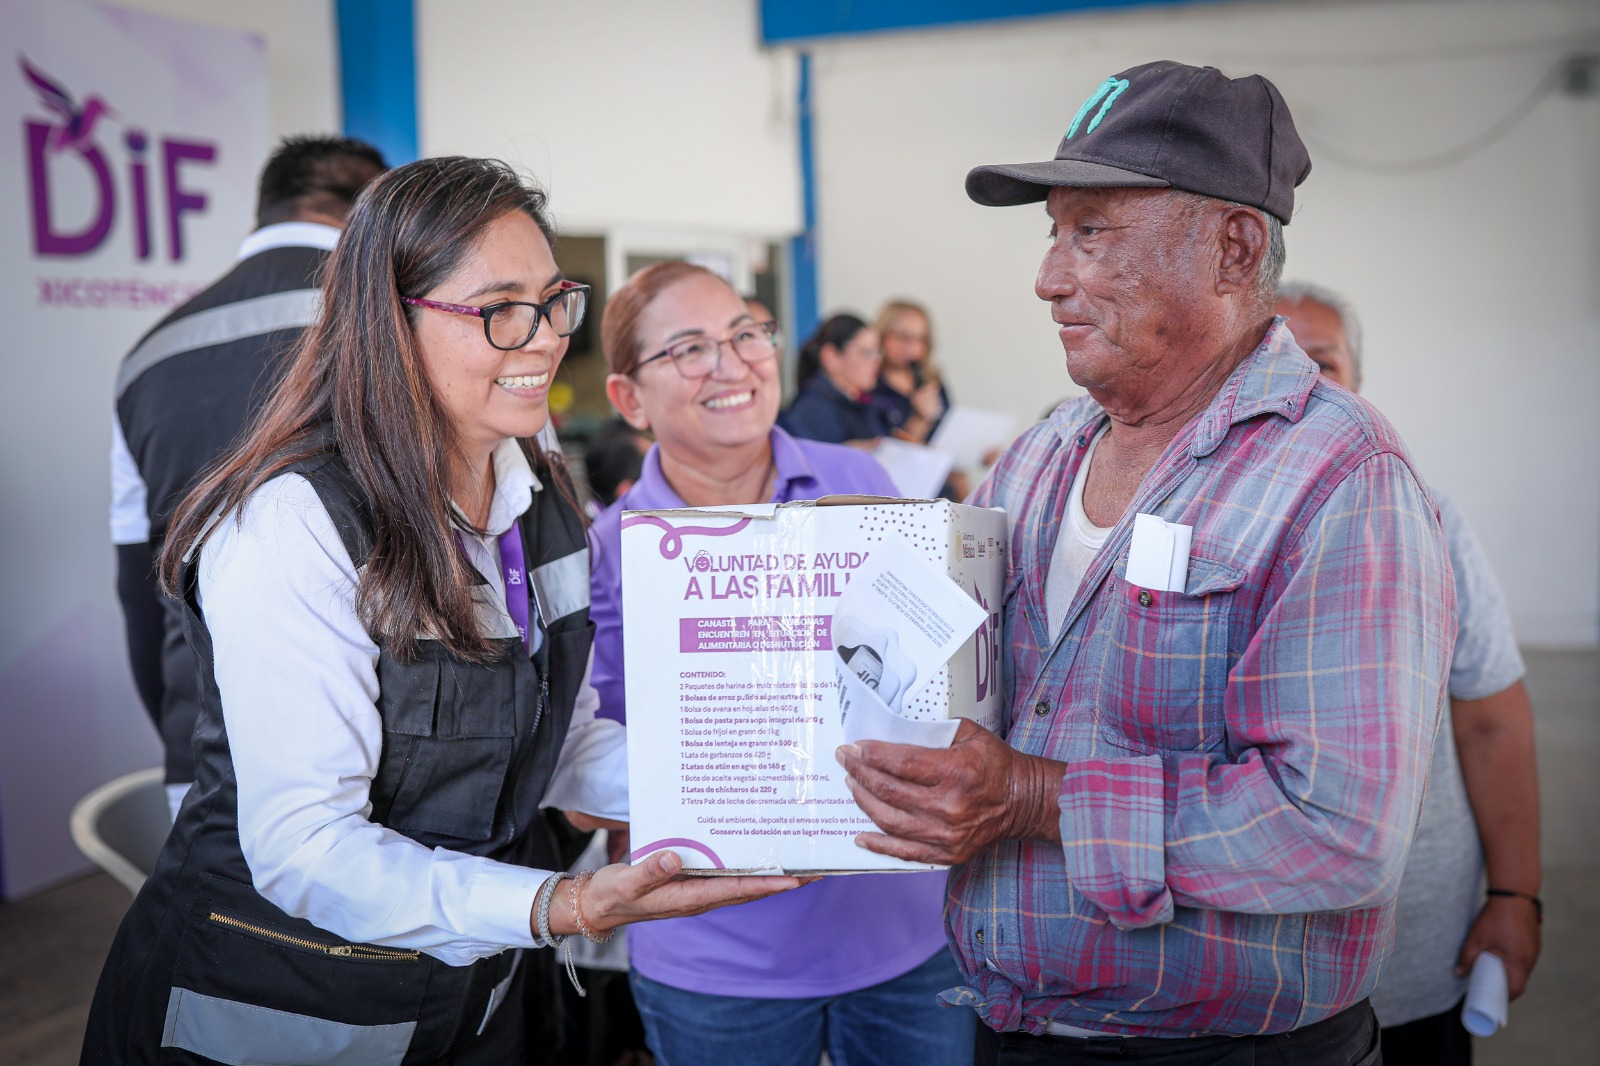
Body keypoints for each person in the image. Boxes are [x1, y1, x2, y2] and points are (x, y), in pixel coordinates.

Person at [82, 158, 802, 1065]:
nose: (543, 339)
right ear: (389, 322)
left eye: (554, 302)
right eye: (500, 309)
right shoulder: (295, 522)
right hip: (280, 1014)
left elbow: (563, 741)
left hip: (465, 1000)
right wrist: (564, 904)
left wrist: (766, 789)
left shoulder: (539, 496)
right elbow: (306, 847)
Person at [836, 61, 1456, 1064]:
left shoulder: (1342, 478)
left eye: (1092, 232)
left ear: (1232, 248)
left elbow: (1336, 830)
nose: (1048, 277)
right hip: (1011, 1025)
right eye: (1052, 234)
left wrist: (1031, 796)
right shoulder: (1042, 453)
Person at [590, 260, 976, 1066]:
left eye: (746, 334)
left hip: (904, 935)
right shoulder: (610, 549)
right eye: (689, 349)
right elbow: (588, 771)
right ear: (629, 398)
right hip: (717, 957)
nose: (731, 365)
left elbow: (926, 678)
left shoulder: (857, 480)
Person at [1277, 281, 1542, 1065]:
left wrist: (1515, 895)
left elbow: (1491, 717)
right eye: (1275, 361)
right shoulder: (1181, 521)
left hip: (1412, 955)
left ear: (1358, 384)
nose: (1300, 385)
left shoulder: (1429, 518)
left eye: (1324, 362)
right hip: (1243, 977)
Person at [111, 135, 388, 820]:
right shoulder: (394, 322)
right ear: (371, 212)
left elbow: (138, 587)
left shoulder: (144, 358)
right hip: (383, 761)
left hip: (204, 758)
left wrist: (185, 729)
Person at [778, 313, 892, 447]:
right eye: (866, 353)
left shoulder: (862, 402)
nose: (876, 361)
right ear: (831, 356)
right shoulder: (812, 410)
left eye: (878, 352)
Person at [871, 299, 948, 444]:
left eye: (920, 338)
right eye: (903, 337)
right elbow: (883, 451)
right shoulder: (870, 385)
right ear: (881, 336)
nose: (911, 346)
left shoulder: (930, 380)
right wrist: (920, 419)